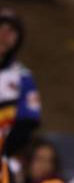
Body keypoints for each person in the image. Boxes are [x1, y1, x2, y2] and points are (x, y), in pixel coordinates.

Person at [0, 9, 41, 157]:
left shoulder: (23, 76)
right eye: (1, 28)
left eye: (11, 31)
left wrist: (4, 152)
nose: (4, 35)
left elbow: (27, 122)